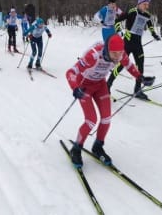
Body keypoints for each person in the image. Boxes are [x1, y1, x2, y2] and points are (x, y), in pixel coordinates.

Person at [66, 34, 155, 167]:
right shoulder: (93, 55)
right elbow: (70, 72)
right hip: (84, 86)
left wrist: (140, 78)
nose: (117, 57)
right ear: (107, 49)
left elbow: (129, 66)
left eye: (119, 53)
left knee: (106, 118)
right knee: (91, 120)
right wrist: (75, 88)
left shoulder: (120, 54)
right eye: (114, 53)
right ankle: (76, 148)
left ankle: (98, 146)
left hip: (100, 85)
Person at [107, 0, 161, 100]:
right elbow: (117, 21)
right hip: (127, 43)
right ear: (140, 3)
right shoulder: (132, 12)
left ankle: (137, 89)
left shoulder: (147, 14)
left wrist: (154, 34)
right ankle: (108, 85)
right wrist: (120, 31)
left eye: (148, 4)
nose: (147, 6)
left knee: (140, 66)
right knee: (121, 66)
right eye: (145, 4)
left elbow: (149, 24)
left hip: (138, 44)